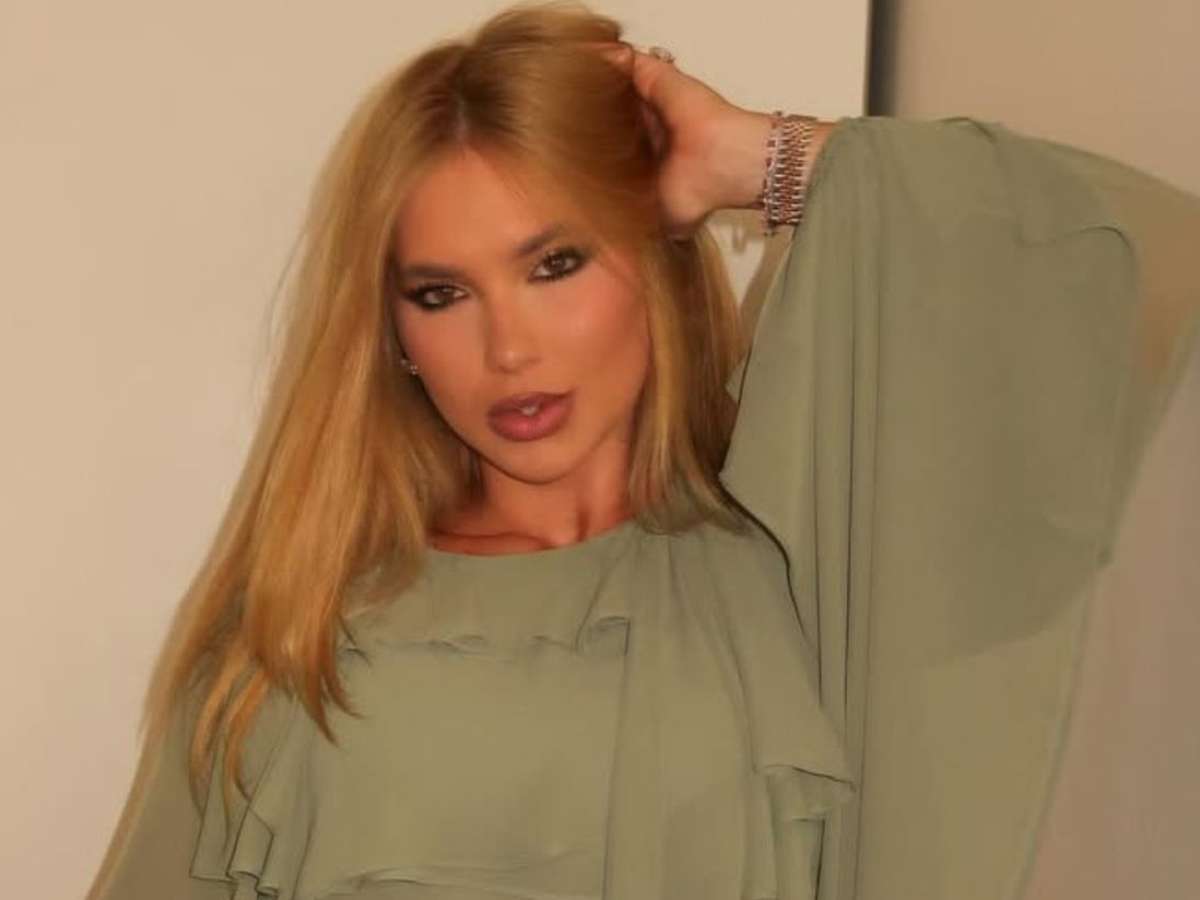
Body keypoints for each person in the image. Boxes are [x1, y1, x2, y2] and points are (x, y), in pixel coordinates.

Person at [87, 3, 1200, 900]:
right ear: (393, 336)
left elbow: (1133, 251)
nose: (508, 350)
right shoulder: (295, 634)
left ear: (657, 255)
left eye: (555, 264)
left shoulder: (808, 566)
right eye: (441, 293)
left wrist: (759, 159)